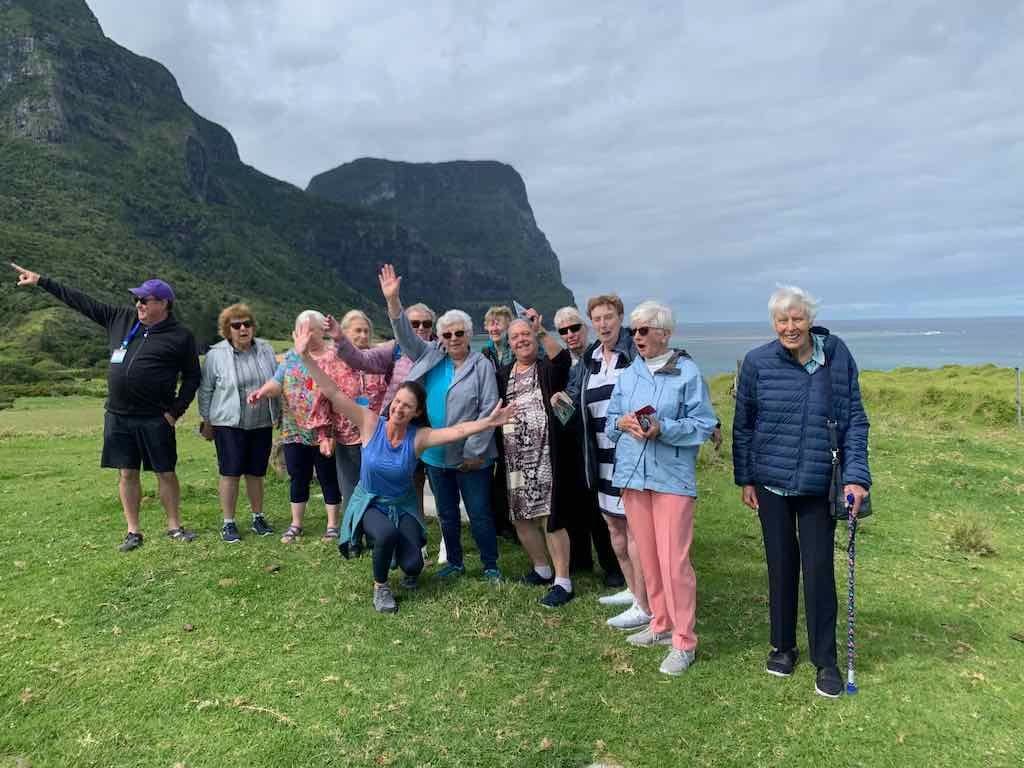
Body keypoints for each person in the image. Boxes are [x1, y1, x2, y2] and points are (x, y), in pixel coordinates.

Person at [294, 322, 512, 613]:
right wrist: (306, 357)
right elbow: (333, 393)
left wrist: (488, 422)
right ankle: (380, 587)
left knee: (413, 565)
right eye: (397, 402)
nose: (399, 408)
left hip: (403, 505)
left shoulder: (419, 438)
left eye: (407, 406)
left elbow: (457, 431)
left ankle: (398, 553)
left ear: (417, 412)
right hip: (370, 502)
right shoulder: (371, 423)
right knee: (385, 535)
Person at [733, 285, 871, 699]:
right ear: (773, 323)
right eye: (782, 320)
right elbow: (743, 425)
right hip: (771, 483)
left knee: (817, 570)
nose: (790, 327)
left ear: (810, 319)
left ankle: (825, 660)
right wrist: (746, 479)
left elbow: (855, 420)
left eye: (797, 319)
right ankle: (782, 646)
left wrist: (857, 477)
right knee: (780, 565)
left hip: (817, 482)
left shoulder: (837, 356)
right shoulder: (758, 362)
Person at [11, 263, 199, 551]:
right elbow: (81, 301)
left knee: (165, 472)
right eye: (136, 299)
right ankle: (133, 531)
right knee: (126, 472)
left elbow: (192, 377)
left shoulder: (181, 336)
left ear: (164, 304)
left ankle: (174, 526)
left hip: (155, 418)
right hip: (118, 416)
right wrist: (41, 281)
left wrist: (175, 412)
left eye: (144, 300)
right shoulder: (119, 319)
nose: (138, 304)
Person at [606, 301, 718, 676]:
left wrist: (663, 428)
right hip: (633, 476)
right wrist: (621, 422)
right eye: (633, 331)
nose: (636, 336)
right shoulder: (628, 374)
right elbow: (608, 423)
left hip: (671, 479)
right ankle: (659, 624)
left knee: (675, 562)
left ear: (664, 333)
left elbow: (703, 424)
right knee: (649, 558)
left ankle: (684, 640)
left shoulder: (687, 371)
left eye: (643, 330)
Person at [379, 264, 502, 580]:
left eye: (460, 333)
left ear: (469, 334)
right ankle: (456, 563)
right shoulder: (430, 356)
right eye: (447, 334)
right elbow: (404, 333)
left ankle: (490, 565)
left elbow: (489, 409)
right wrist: (394, 301)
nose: (454, 338)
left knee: (478, 514)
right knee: (447, 514)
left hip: (472, 456)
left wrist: (474, 453)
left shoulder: (481, 365)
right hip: (435, 454)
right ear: (441, 337)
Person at [553, 294, 648, 629]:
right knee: (615, 529)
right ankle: (633, 589)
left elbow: (657, 390)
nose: (604, 324)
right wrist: (559, 402)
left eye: (609, 317)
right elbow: (572, 400)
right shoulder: (590, 359)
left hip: (633, 457)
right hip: (599, 458)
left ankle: (645, 605)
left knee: (636, 533)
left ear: (620, 318)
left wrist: (647, 429)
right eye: (598, 318)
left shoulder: (634, 352)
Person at [325, 303, 436, 520]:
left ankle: (435, 535)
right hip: (401, 424)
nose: (420, 328)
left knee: (436, 481)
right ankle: (405, 526)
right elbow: (362, 359)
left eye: (426, 323)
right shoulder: (394, 349)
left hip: (433, 426)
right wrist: (340, 338)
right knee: (406, 480)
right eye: (413, 323)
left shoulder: (441, 349)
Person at [496, 318, 574, 607]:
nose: (521, 340)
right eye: (515, 337)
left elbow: (564, 359)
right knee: (520, 516)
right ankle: (541, 568)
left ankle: (563, 581)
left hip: (545, 454)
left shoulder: (545, 368)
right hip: (514, 457)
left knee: (548, 516)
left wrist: (542, 331)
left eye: (525, 334)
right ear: (510, 343)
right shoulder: (503, 374)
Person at [248, 311, 343, 543]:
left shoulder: (333, 356)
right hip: (294, 430)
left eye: (310, 329)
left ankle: (332, 525)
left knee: (327, 476)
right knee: (298, 476)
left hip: (325, 431)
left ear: (322, 331)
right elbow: (276, 382)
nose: (306, 335)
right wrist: (261, 392)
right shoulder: (291, 357)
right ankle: (296, 524)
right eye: (301, 329)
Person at [198, 304, 280, 543]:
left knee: (256, 472)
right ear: (227, 329)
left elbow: (277, 380)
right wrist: (207, 420)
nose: (243, 328)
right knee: (230, 472)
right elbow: (206, 390)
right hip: (228, 422)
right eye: (237, 325)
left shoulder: (265, 349)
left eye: (247, 324)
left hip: (261, 421)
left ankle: (258, 517)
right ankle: (229, 523)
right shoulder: (216, 355)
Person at [553, 306, 621, 580]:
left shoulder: (597, 357)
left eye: (575, 328)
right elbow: (566, 411)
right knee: (577, 506)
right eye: (564, 331)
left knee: (601, 507)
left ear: (585, 328)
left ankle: (612, 566)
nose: (570, 335)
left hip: (600, 441)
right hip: (572, 442)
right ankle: (581, 560)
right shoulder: (561, 363)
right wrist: (559, 407)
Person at [309, 310, 389, 513]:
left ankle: (376, 533)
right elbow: (321, 399)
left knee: (376, 488)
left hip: (376, 435)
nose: (363, 335)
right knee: (351, 488)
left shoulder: (378, 358)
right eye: (358, 331)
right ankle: (352, 536)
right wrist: (324, 435)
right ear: (343, 332)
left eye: (366, 331)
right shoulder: (330, 360)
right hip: (347, 436)